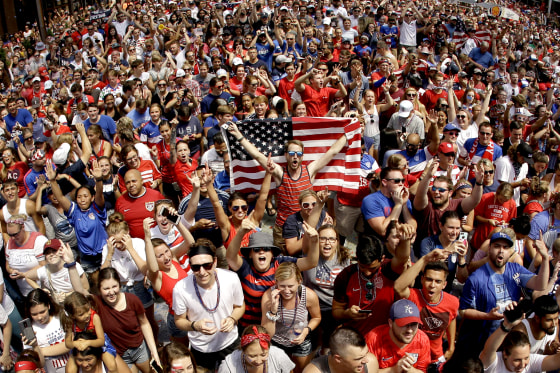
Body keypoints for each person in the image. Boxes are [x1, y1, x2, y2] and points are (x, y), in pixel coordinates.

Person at [227, 121, 348, 248]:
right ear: (286, 155)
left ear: (302, 156)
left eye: (298, 154)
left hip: (306, 227)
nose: (295, 156)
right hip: (283, 229)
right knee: (283, 264)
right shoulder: (280, 173)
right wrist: (237, 134)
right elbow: (257, 155)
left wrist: (348, 133)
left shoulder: (310, 171)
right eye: (291, 154)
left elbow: (332, 152)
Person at [457, 232, 549, 356]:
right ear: (489, 249)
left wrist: (545, 258)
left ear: (511, 251)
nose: (501, 251)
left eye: (505, 247)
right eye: (497, 246)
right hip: (480, 341)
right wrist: (487, 316)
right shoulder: (476, 279)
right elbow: (463, 311)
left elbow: (540, 284)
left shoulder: (516, 270)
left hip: (506, 340)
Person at [68, 266, 161, 373]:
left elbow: (144, 324)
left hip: (139, 349)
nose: (111, 292)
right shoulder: (97, 303)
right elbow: (79, 290)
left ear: (120, 285)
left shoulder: (132, 300)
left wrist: (154, 351)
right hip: (121, 354)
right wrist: (71, 265)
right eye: (106, 289)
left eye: (114, 286)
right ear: (99, 289)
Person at [172, 239, 245, 371]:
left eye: (207, 265)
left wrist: (232, 318)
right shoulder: (180, 288)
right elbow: (178, 320)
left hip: (229, 342)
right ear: (190, 265)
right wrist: (194, 326)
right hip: (201, 347)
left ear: (215, 262)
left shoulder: (231, 278)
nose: (202, 271)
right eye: (196, 267)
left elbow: (240, 306)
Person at [394, 249, 460, 363]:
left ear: (444, 284)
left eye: (438, 281)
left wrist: (451, 346)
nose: (432, 285)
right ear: (422, 279)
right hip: (411, 357)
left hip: (435, 357)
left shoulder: (453, 302)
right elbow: (398, 287)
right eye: (429, 279)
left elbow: (451, 318)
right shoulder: (413, 296)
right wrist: (424, 259)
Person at [45, 159, 106, 278]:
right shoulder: (74, 211)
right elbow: (60, 197)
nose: (82, 199)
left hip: (104, 253)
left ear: (91, 198)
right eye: (79, 197)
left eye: (85, 196)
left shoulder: (97, 208)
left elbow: (99, 194)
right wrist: (52, 180)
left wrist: (98, 180)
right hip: (87, 258)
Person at [261, 262, 321, 373]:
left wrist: (306, 332)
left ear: (299, 281)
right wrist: (273, 311)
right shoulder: (268, 297)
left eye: (291, 286)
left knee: (303, 370)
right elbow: (267, 334)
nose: (287, 291)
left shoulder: (309, 295)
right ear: (276, 282)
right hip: (277, 340)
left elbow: (316, 318)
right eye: (282, 286)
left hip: (301, 339)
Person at [143, 211, 193, 344]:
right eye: (159, 256)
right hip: (178, 319)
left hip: (194, 311)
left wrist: (177, 223)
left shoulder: (174, 258)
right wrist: (147, 239)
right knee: (183, 352)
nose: (166, 257)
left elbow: (190, 243)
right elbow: (153, 267)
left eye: (166, 251)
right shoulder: (156, 275)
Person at [479, 303, 560, 373]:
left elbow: (555, 361)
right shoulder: (494, 363)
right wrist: (507, 325)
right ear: (505, 354)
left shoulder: (531, 362)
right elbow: (489, 349)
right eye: (517, 360)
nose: (522, 365)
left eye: (526, 358)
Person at [61, 291, 128, 373]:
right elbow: (67, 344)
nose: (87, 315)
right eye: (81, 314)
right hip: (79, 345)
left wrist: (87, 343)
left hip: (98, 343)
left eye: (87, 310)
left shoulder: (94, 317)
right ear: (72, 316)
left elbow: (101, 341)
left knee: (112, 365)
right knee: (70, 370)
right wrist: (76, 344)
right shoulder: (70, 322)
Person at [365, 299, 431, 373]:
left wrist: (410, 370)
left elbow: (423, 371)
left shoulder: (422, 339)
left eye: (414, 324)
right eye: (404, 324)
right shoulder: (373, 339)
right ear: (390, 323)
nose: (409, 330)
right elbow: (366, 371)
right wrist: (393, 370)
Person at [23, 239, 89, 305]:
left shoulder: (74, 266)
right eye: (48, 253)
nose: (51, 254)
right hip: (59, 307)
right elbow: (27, 276)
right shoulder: (44, 270)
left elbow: (86, 288)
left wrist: (66, 295)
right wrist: (41, 291)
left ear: (61, 251)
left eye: (54, 251)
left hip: (77, 303)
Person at [22, 289, 70, 373]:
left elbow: (72, 343)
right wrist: (35, 346)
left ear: (48, 306)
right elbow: (40, 364)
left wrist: (42, 351)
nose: (39, 317)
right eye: (34, 314)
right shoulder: (30, 330)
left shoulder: (61, 316)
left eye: (42, 312)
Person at [361, 167, 416, 239]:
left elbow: (413, 227)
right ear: (384, 182)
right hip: (379, 245)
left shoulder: (403, 198)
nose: (401, 184)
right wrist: (398, 205)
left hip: (401, 244)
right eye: (396, 181)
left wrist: (404, 204)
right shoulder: (371, 200)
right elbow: (383, 231)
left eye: (402, 181)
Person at [218, 325, 295, 373]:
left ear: (269, 348)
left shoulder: (279, 356)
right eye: (252, 356)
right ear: (243, 350)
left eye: (263, 354)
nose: (258, 361)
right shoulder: (228, 367)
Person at [304, 326, 379, 373]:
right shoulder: (314, 371)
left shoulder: (370, 364)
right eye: (359, 358)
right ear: (338, 359)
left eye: (366, 353)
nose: (366, 361)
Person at [5, 215, 48, 296]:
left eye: (16, 234)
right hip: (24, 292)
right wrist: (12, 271)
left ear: (23, 227)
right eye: (10, 235)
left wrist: (24, 275)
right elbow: (7, 265)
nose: (13, 238)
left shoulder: (38, 240)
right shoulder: (10, 243)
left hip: (42, 288)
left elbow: (44, 264)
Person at [115, 169, 165, 238]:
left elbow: (169, 216)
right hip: (135, 245)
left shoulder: (156, 196)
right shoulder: (120, 202)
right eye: (128, 183)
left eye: (134, 181)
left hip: (157, 241)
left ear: (142, 181)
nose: (131, 185)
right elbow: (118, 226)